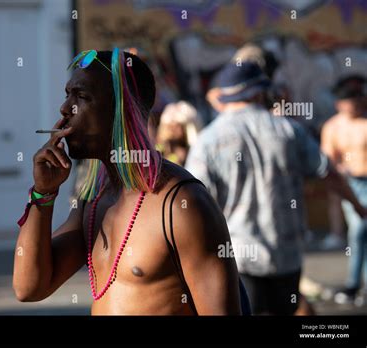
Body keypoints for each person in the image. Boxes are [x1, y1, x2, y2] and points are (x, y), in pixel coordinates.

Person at [12, 48, 241, 315]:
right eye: (68, 95)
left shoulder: (181, 204)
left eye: (82, 96)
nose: (65, 109)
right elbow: (29, 288)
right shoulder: (94, 202)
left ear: (122, 111)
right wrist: (43, 193)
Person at [185, 62, 367, 315]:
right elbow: (328, 172)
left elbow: (195, 200)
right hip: (288, 255)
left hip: (239, 257)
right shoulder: (289, 131)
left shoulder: (208, 140)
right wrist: (358, 206)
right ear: (259, 93)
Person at [321, 75, 367, 303]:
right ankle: (353, 283)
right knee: (359, 231)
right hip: (351, 184)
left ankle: (359, 284)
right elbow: (329, 160)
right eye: (351, 101)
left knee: (362, 232)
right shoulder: (333, 127)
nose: (356, 105)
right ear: (340, 104)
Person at [156, 101, 202, 166]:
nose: (173, 130)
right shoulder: (160, 148)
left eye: (177, 126)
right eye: (170, 126)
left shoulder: (195, 150)